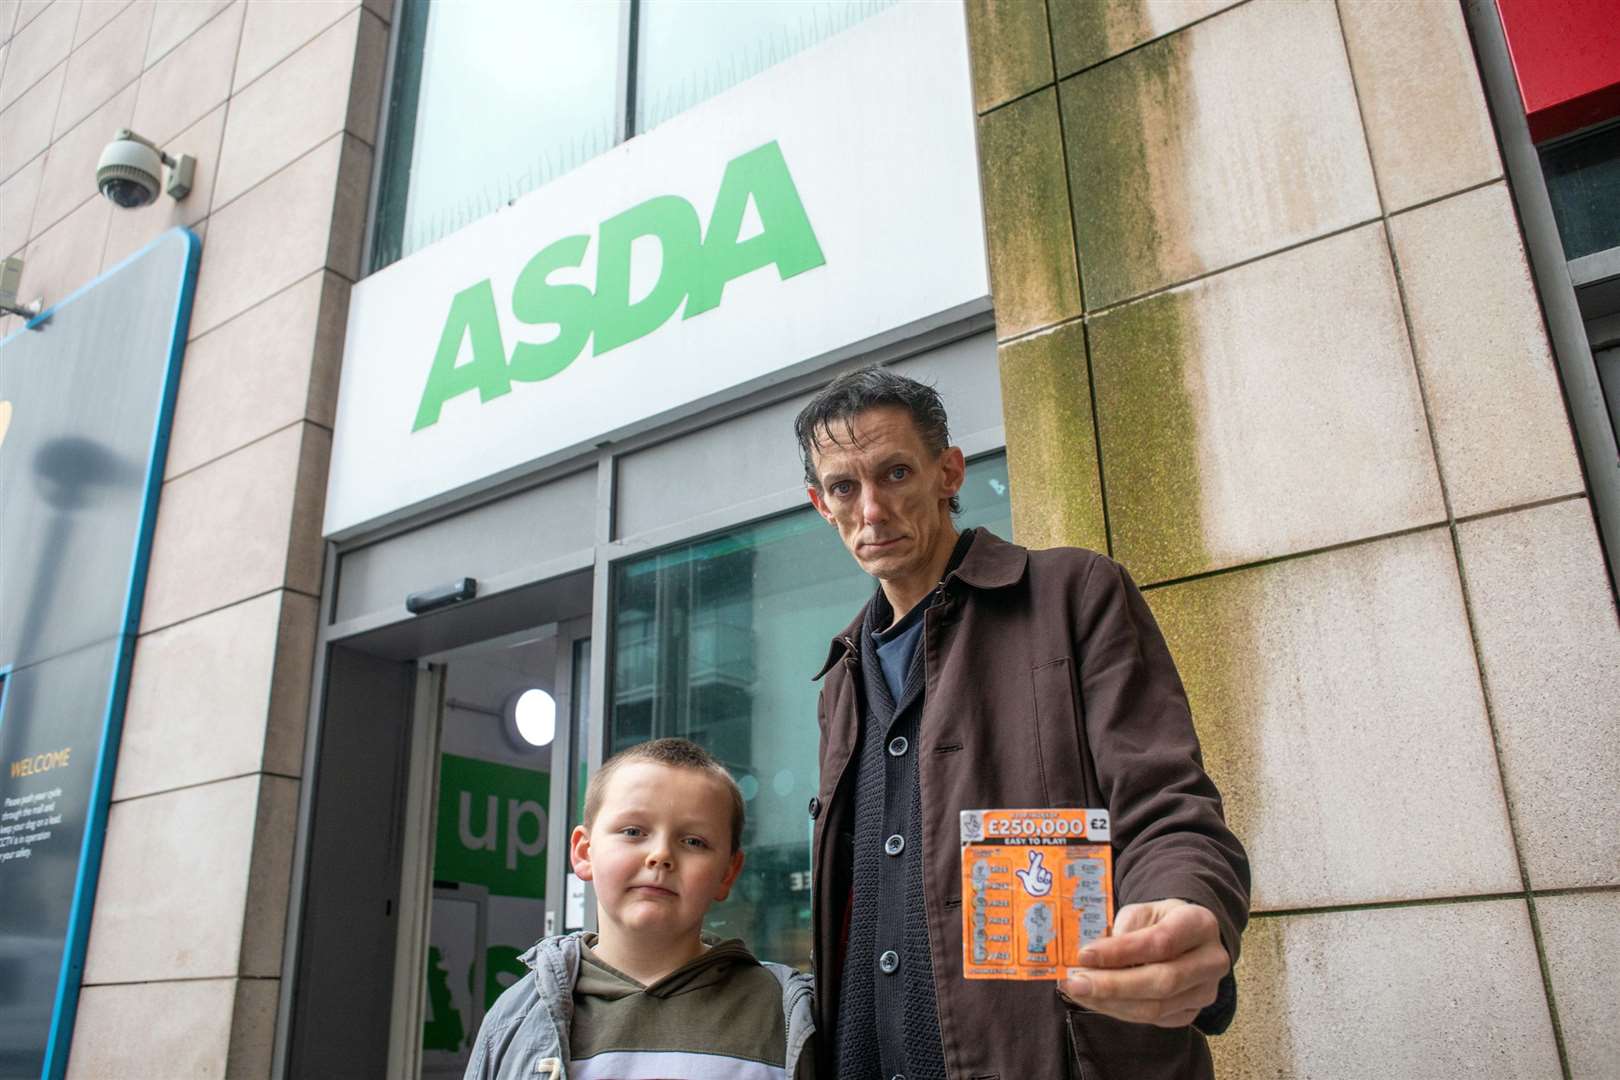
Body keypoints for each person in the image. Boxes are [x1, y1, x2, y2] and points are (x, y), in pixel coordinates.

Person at [796, 365, 1250, 1079]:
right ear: (821, 504)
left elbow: (1167, 804)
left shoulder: (1073, 594)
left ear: (949, 472)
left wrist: (1183, 901)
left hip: (1045, 1054)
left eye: (896, 473)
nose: (873, 511)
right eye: (846, 488)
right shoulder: (841, 677)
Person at [464, 738, 816, 1079]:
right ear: (584, 852)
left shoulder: (786, 1012)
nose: (660, 855)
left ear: (728, 873)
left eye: (694, 841)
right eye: (633, 831)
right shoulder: (515, 1017)